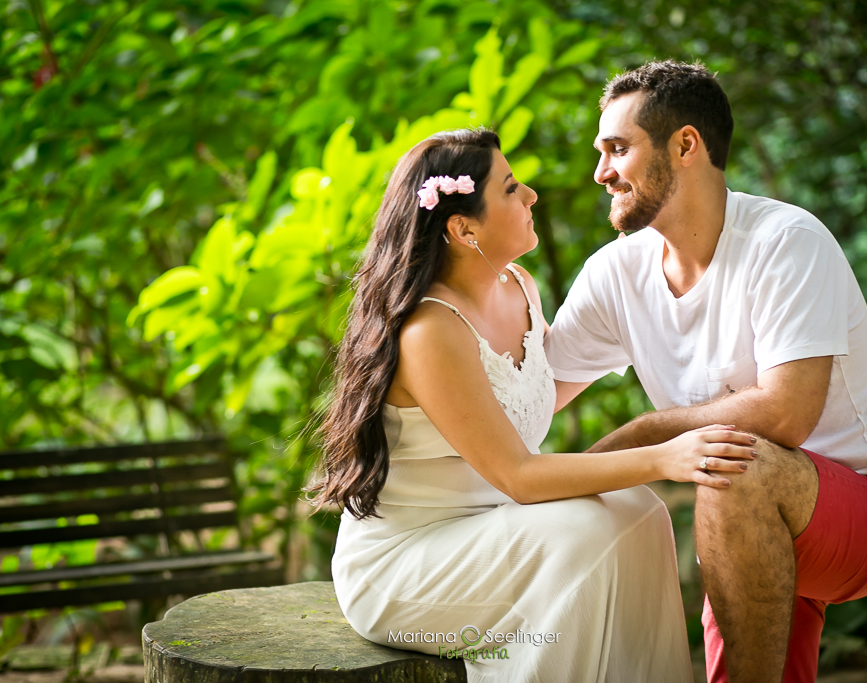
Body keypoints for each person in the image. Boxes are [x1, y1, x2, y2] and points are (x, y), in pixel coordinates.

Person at [314, 127, 757, 683]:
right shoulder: (430, 330)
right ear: (463, 228)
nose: (531, 195)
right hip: (409, 564)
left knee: (641, 512)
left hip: (499, 530)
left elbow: (537, 392)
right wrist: (665, 456)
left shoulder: (518, 286)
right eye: (510, 188)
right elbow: (519, 477)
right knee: (585, 532)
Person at [544, 61, 867, 683]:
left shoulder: (786, 241)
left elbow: (785, 413)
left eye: (618, 149)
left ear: (685, 145)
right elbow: (533, 397)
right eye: (601, 152)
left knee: (730, 465)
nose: (601, 172)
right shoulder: (615, 273)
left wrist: (644, 435)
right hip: (743, 512)